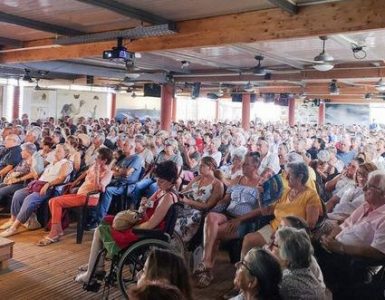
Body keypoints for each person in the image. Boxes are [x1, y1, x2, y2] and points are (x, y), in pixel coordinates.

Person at [74, 161, 179, 284]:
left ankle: (94, 269)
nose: (157, 183)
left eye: (161, 181)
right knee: (105, 222)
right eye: (158, 180)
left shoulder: (167, 197)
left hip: (147, 231)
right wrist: (143, 205)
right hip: (144, 223)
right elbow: (145, 209)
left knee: (100, 230)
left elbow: (152, 224)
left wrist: (130, 228)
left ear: (171, 180)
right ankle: (96, 267)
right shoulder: (162, 191)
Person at [194, 153, 261, 288]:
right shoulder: (237, 179)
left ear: (256, 166)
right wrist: (214, 208)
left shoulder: (261, 183)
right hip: (228, 214)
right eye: (243, 163)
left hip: (245, 221)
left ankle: (207, 270)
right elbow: (226, 199)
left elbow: (261, 210)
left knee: (213, 233)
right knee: (210, 217)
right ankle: (207, 261)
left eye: (246, 164)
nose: (242, 166)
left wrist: (239, 220)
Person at [316, 170, 385, 297]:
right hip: (336, 247)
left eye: (370, 186)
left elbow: (377, 251)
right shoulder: (366, 205)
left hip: (350, 258)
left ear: (383, 194)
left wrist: (341, 248)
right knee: (312, 245)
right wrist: (330, 238)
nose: (364, 188)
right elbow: (344, 224)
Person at [241, 162, 322, 258]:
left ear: (300, 177)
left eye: (289, 175)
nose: (286, 178)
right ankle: (243, 268)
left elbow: (310, 225)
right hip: (274, 227)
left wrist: (282, 232)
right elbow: (266, 212)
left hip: (292, 234)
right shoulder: (284, 191)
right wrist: (261, 195)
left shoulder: (311, 195)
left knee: (273, 254)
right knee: (249, 239)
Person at [36, 147, 113, 245]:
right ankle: (57, 230)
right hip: (81, 194)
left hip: (90, 198)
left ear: (104, 160)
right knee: (52, 200)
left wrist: (98, 173)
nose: (95, 159)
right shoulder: (94, 166)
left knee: (56, 202)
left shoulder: (108, 173)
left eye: (98, 157)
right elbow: (86, 173)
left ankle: (55, 233)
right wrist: (75, 182)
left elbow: (101, 188)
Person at [0, 144, 73, 237]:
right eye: (56, 150)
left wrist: (48, 184)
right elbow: (40, 173)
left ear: (66, 153)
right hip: (39, 185)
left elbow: (62, 178)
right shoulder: (53, 162)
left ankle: (14, 227)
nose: (55, 153)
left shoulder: (66, 163)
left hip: (51, 188)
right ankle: (13, 219)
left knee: (29, 199)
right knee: (18, 194)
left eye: (59, 151)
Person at [175, 157, 224, 242]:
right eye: (199, 165)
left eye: (202, 166)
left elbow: (208, 206)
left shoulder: (217, 184)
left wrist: (188, 201)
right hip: (186, 205)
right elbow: (184, 191)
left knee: (180, 220)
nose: (199, 168)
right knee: (170, 209)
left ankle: (176, 241)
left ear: (211, 167)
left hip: (198, 211)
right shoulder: (198, 178)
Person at [277, 227, 325, 300]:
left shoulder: (287, 283)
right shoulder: (304, 270)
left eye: (278, 246)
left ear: (288, 258)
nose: (273, 250)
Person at [0, 142, 44, 212]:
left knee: (1, 191)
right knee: (1, 185)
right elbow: (15, 169)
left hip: (23, 183)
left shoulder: (35, 160)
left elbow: (34, 174)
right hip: (15, 181)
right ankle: (5, 208)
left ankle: (7, 210)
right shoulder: (23, 160)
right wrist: (9, 176)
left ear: (28, 152)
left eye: (22, 150)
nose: (20, 152)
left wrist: (17, 179)